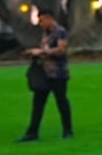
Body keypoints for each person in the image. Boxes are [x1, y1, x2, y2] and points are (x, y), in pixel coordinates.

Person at [19, 9, 73, 141]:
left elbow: (61, 50)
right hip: (44, 73)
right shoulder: (46, 33)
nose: (40, 24)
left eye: (42, 20)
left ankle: (68, 130)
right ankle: (32, 131)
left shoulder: (60, 31)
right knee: (38, 103)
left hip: (58, 73)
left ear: (49, 19)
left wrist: (42, 51)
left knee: (61, 101)